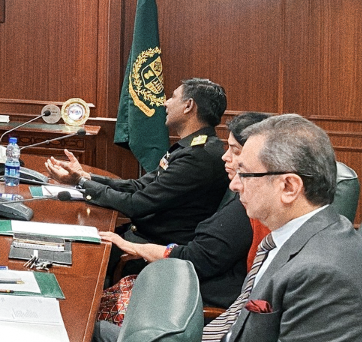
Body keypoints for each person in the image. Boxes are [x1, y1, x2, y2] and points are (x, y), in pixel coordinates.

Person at [203, 114, 362, 342]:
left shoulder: (322, 277)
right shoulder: (291, 237)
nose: (234, 184)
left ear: (289, 187)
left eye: (245, 174)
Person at [91, 112, 271, 342]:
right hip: (187, 285)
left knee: (92, 326)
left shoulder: (248, 209)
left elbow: (197, 260)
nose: (225, 157)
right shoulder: (241, 198)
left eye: (235, 151)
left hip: (194, 302)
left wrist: (135, 248)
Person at [45, 78, 230, 246]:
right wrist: (87, 177)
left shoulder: (197, 156)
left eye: (173, 97)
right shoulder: (191, 147)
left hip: (153, 247)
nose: (165, 103)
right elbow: (139, 186)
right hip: (141, 235)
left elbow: (137, 204)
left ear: (188, 106)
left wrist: (81, 182)